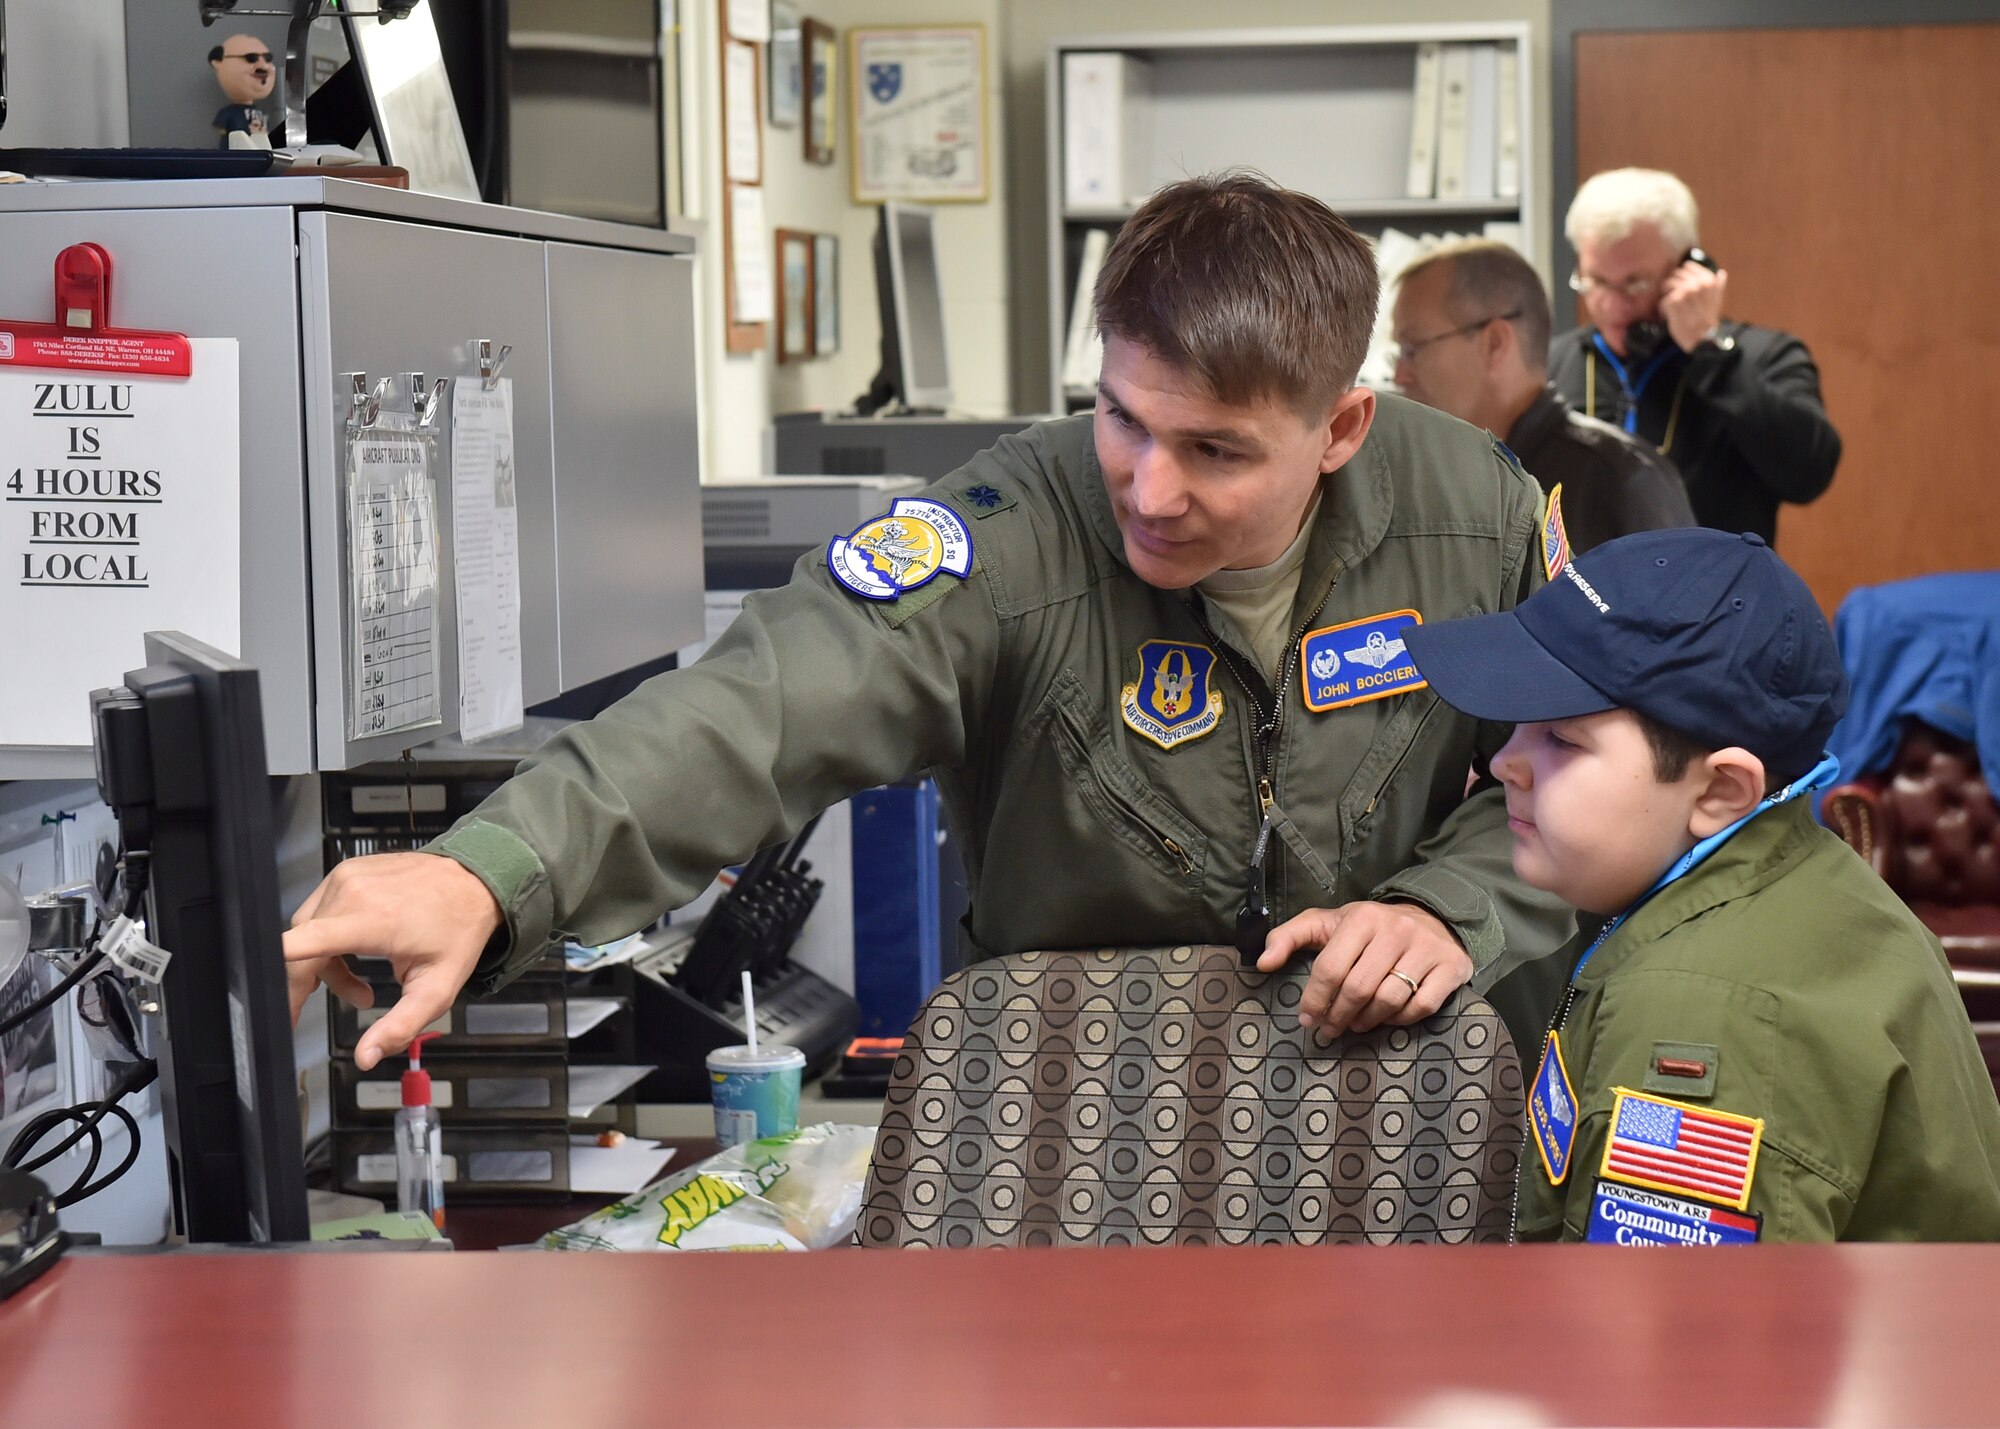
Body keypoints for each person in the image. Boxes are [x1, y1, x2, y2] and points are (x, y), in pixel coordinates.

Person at [285, 173, 1574, 1072]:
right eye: (1121, 417)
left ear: (1339, 427)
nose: (1150, 489)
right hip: (1082, 1116)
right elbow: (762, 704)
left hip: (1405, 1107)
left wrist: (1441, 907)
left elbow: (1578, 764)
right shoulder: (1011, 528)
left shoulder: (1475, 509)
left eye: (1215, 450)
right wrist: (491, 869)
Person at [1392, 527, 2000, 1240]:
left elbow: (1672, 1342)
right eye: (1522, 723)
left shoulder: (1700, 1021)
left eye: (1563, 740)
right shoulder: (1806, 881)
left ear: (1719, 790)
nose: (1506, 763)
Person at [1549, 168, 1839, 544]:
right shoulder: (1550, 363)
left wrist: (1709, 351)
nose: (1613, 308)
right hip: (1581, 597)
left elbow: (1808, 476)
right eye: (1597, 282)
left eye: (1636, 283)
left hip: (1714, 598)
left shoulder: (1764, 357)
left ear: (1688, 269)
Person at [1390, 238, 1694, 553]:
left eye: (1413, 348)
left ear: (1495, 342)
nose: (1400, 375)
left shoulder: (1620, 482)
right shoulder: (1442, 477)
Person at [209, 36, 277, 150]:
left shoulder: (258, 112)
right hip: (233, 155)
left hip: (260, 156)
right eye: (251, 58)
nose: (263, 65)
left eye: (268, 58)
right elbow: (221, 129)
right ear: (217, 62)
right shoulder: (228, 112)